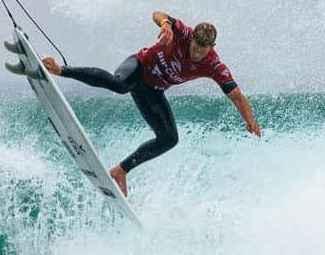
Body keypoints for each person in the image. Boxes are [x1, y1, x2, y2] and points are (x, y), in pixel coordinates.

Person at [42, 12, 260, 196]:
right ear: (192, 38)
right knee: (120, 85)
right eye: (195, 46)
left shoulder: (214, 65)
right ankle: (61, 70)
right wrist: (165, 25)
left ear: (211, 46)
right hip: (138, 66)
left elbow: (236, 95)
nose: (197, 53)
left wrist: (249, 120)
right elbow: (158, 14)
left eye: (203, 50)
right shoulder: (182, 33)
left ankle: (120, 171)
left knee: (169, 139)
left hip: (152, 90)